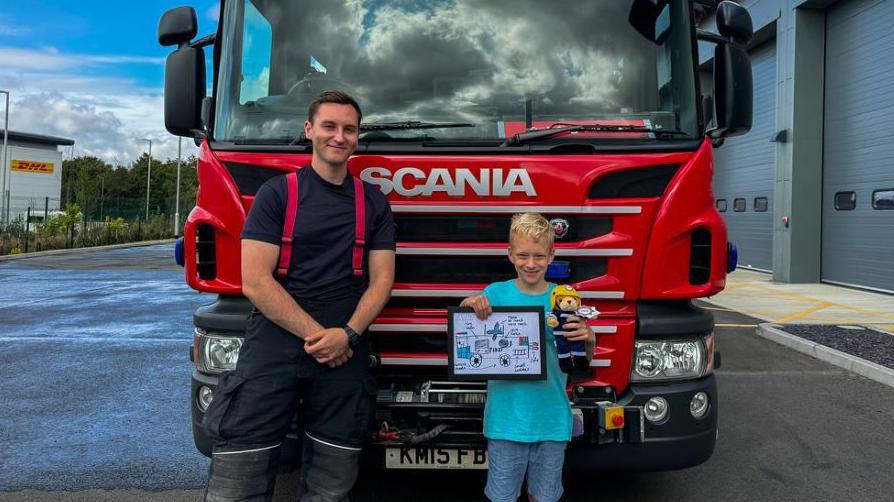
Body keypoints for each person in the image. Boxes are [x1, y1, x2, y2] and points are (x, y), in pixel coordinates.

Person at [202, 91, 396, 502]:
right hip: (278, 339)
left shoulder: (374, 202)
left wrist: (347, 334)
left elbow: (381, 282)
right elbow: (255, 281)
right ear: (309, 130)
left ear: (358, 137)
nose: (339, 137)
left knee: (332, 481)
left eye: (349, 129)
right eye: (329, 126)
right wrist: (322, 337)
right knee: (241, 468)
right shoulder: (278, 194)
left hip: (346, 345)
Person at [460, 213, 595, 502]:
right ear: (510, 254)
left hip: (551, 419)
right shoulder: (495, 294)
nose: (531, 264)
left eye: (538, 256)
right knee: (502, 497)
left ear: (551, 255)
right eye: (523, 255)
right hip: (506, 421)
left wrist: (589, 338)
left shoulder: (563, 298)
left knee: (543, 497)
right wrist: (471, 304)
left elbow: (584, 359)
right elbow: (466, 326)